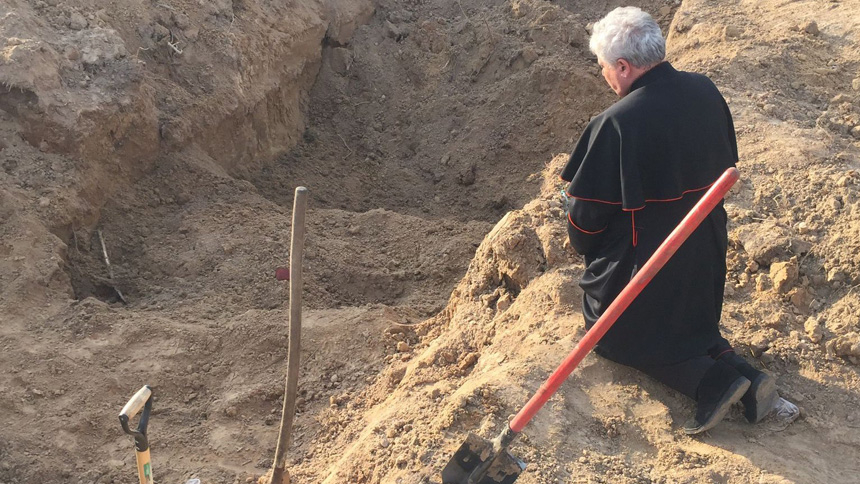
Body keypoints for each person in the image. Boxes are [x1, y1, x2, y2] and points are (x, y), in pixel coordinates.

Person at [560, 6, 797, 434]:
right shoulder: (705, 90)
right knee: (695, 331)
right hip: (706, 263)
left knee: (610, 334)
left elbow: (584, 231)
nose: (604, 76)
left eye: (603, 68)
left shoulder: (615, 124)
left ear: (624, 66)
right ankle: (751, 377)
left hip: (647, 275)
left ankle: (714, 382)